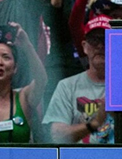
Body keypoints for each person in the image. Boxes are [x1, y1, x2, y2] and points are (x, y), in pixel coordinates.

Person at [43, 15, 113, 144]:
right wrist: (95, 123)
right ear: (85, 46)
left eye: (106, 39)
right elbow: (56, 136)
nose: (100, 46)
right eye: (94, 40)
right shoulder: (67, 86)